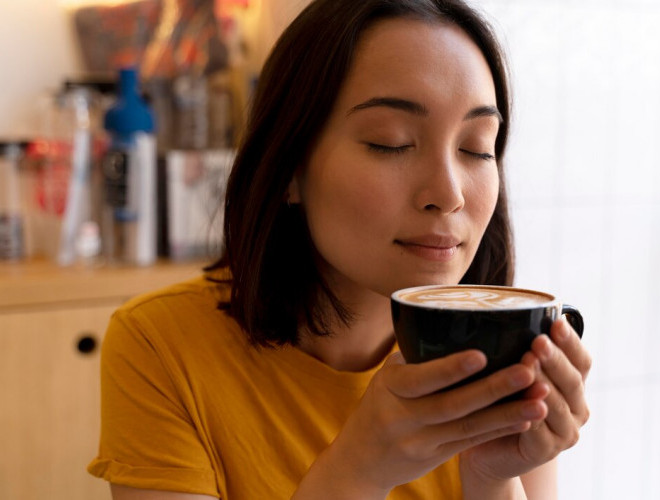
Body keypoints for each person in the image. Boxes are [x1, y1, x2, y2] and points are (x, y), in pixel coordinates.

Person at [88, 0, 592, 498]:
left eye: (477, 147)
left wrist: (493, 479)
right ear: (289, 168)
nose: (450, 193)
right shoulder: (161, 346)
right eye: (390, 142)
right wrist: (360, 469)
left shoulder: (505, 353)